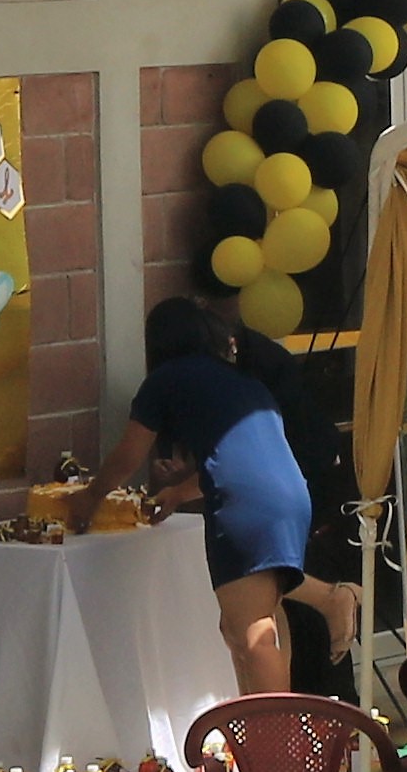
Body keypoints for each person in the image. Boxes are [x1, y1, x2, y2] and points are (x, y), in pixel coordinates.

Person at [82, 299, 330, 699]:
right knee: (239, 628)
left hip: (244, 506)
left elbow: (128, 455)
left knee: (252, 634)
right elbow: (238, 458)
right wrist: (178, 493)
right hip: (291, 497)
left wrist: (90, 496)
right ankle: (257, 734)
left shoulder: (166, 380)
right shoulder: (245, 382)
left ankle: (279, 741)